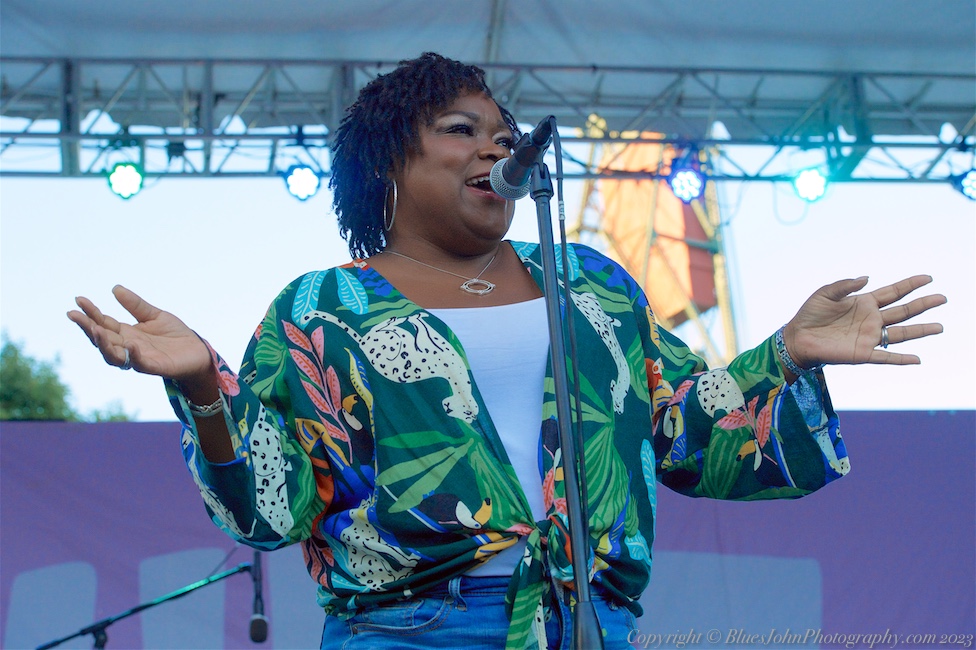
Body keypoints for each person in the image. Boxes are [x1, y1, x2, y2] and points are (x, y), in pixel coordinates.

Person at [67, 52, 946, 650]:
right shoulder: (320, 312)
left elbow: (687, 434)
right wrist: (205, 390)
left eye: (504, 129)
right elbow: (276, 506)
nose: (497, 143)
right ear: (389, 166)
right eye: (461, 128)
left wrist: (785, 356)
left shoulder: (593, 289)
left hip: (585, 621)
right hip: (408, 627)